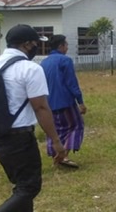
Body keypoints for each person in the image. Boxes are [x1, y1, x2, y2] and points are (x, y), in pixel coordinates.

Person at [0, 24, 67, 212]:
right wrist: (56, 141)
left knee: (21, 184)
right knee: (29, 187)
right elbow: (41, 107)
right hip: (19, 137)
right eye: (36, 43)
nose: (38, 47)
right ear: (27, 45)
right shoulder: (30, 69)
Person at [40, 35, 87, 168]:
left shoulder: (44, 62)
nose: (67, 48)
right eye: (66, 45)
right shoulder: (65, 60)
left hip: (49, 103)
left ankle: (55, 154)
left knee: (57, 129)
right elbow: (72, 83)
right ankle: (62, 156)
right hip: (65, 101)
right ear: (60, 46)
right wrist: (80, 102)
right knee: (76, 126)